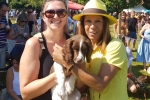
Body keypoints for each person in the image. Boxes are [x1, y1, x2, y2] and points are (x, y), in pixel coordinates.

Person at [52, 0, 128, 100]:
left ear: (105, 24)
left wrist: (67, 63)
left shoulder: (115, 45)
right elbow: (82, 81)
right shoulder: (85, 48)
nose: (92, 26)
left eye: (98, 21)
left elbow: (100, 85)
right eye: (88, 21)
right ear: (83, 24)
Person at [19, 0, 69, 99]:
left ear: (66, 16)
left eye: (61, 12)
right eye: (50, 13)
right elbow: (26, 93)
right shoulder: (34, 44)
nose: (55, 16)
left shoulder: (72, 43)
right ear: (43, 17)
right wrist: (63, 72)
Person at [0, 2, 9, 71]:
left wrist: (7, 29)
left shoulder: (4, 18)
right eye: (3, 11)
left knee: (2, 64)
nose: (5, 13)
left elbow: (5, 28)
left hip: (3, 44)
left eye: (6, 11)